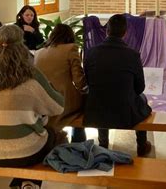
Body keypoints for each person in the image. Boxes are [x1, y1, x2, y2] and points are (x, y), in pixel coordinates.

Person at [0, 24, 64, 189]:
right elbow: (57, 107)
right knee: (54, 134)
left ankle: (20, 182)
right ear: (22, 48)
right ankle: (30, 182)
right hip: (27, 151)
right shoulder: (32, 76)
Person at [83, 14, 152, 156]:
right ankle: (141, 145)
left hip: (96, 110)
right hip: (124, 111)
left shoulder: (91, 53)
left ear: (107, 31)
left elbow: (89, 82)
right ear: (125, 33)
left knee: (101, 94)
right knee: (142, 99)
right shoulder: (132, 54)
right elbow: (140, 88)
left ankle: (103, 143)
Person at [34, 23, 88, 143]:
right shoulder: (71, 48)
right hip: (64, 102)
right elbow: (78, 80)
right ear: (70, 36)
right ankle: (79, 144)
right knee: (83, 106)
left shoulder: (39, 53)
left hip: (43, 102)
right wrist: (85, 90)